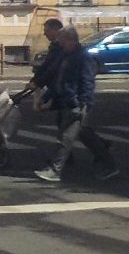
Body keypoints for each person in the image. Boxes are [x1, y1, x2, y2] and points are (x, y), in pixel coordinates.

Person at [36, 26, 117, 182]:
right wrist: (46, 97)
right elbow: (59, 81)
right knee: (84, 135)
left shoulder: (83, 58)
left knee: (66, 137)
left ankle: (55, 171)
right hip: (67, 100)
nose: (60, 44)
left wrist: (83, 103)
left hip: (75, 103)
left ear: (71, 40)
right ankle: (108, 161)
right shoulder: (67, 56)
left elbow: (87, 82)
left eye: (62, 41)